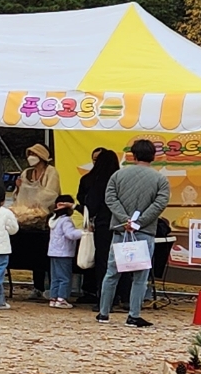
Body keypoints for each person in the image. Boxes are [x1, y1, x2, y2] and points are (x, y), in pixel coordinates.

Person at [99, 138, 170, 327]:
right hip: (144, 232)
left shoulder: (118, 176)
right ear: (153, 156)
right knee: (140, 276)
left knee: (112, 272)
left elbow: (110, 198)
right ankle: (133, 314)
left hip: (121, 231)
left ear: (133, 154)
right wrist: (139, 221)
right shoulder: (160, 179)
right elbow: (160, 203)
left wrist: (125, 220)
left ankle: (103, 313)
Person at [11, 143, 61, 296]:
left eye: (34, 154)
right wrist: (19, 187)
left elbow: (52, 193)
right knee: (32, 252)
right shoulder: (27, 172)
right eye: (29, 154)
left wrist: (37, 202)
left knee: (46, 252)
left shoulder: (51, 172)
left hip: (46, 218)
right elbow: (18, 195)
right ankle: (37, 286)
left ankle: (50, 287)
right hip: (27, 218)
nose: (30, 158)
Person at [76, 146, 119, 301]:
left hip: (101, 225)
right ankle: (124, 296)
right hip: (123, 225)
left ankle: (104, 298)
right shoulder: (119, 179)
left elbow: (88, 203)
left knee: (102, 261)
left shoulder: (93, 180)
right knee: (121, 261)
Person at [45, 197, 83, 308]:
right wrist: (84, 232)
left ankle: (54, 297)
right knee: (65, 277)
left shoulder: (53, 220)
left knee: (55, 276)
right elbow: (70, 234)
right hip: (64, 252)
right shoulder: (66, 220)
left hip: (53, 252)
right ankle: (62, 298)